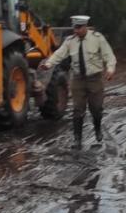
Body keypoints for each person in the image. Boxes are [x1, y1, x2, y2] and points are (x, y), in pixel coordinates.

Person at [40, 15, 116, 148]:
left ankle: (97, 129)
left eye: (79, 28)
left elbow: (108, 55)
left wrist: (110, 69)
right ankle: (77, 140)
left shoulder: (97, 38)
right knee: (77, 110)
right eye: (74, 27)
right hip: (78, 79)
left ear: (85, 26)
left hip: (94, 78)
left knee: (96, 109)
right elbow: (60, 53)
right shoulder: (70, 41)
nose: (76, 30)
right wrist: (48, 64)